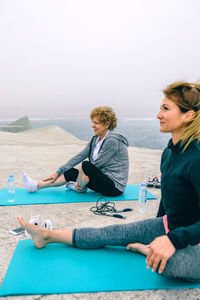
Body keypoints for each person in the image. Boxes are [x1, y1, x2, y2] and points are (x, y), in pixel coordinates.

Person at [18, 81, 200, 282]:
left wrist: (173, 240)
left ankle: (146, 250)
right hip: (171, 226)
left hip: (193, 239)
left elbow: (95, 164)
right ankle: (47, 235)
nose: (158, 115)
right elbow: (167, 198)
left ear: (188, 115)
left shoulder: (196, 158)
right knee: (112, 232)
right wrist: (158, 230)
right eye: (160, 108)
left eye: (165, 109)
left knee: (166, 264)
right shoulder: (169, 153)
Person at [22, 106, 129, 197]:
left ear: (106, 124)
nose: (92, 125)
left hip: (114, 187)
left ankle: (80, 186)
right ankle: (36, 185)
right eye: (92, 122)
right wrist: (57, 172)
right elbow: (80, 156)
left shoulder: (112, 140)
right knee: (71, 171)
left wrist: (80, 180)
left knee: (85, 166)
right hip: (101, 179)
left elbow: (96, 166)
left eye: (96, 123)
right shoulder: (96, 139)